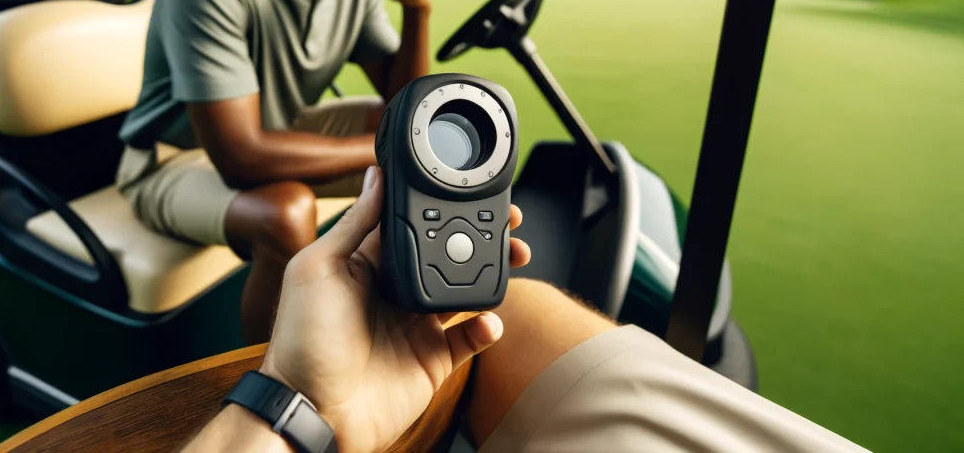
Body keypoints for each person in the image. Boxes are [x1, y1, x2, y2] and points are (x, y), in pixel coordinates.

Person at [181, 167, 871, 453]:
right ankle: (258, 348)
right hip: (184, 165)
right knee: (522, 304)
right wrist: (308, 398)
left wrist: (415, 5)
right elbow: (240, 150)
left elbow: (405, 73)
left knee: (509, 306)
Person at [115, 0, 430, 343]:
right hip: (171, 157)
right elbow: (240, 156)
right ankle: (270, 394)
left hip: (276, 128)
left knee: (405, 129)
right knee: (286, 212)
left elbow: (409, 107)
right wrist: (396, 148)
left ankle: (407, 325)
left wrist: (416, 9)